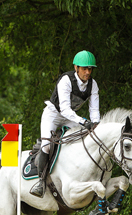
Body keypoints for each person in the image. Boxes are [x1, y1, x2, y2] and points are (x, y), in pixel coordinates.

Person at [30, 50, 100, 197]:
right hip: (54, 114)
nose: (87, 72)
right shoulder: (66, 80)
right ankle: (40, 182)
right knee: (47, 146)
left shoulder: (93, 84)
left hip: (71, 117)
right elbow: (65, 109)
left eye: (90, 69)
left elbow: (94, 110)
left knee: (82, 139)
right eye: (84, 69)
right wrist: (83, 121)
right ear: (76, 67)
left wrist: (95, 124)